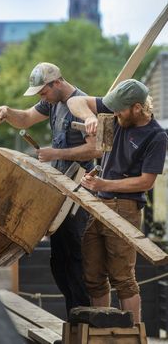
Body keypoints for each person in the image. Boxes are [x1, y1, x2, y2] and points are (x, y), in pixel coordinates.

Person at [0, 62, 101, 316]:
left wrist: (56, 153)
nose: (42, 98)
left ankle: (83, 318)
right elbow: (27, 118)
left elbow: (95, 149)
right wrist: (7, 112)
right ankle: (74, 317)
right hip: (60, 190)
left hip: (79, 191)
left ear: (57, 83)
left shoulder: (80, 103)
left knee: (74, 257)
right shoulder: (53, 102)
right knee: (59, 260)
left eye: (43, 92)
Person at [67, 79, 168, 323]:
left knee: (123, 278)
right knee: (93, 275)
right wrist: (90, 118)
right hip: (99, 204)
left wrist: (106, 185)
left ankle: (131, 333)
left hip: (125, 207)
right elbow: (75, 100)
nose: (114, 113)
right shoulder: (117, 114)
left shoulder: (156, 136)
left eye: (120, 110)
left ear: (136, 107)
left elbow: (146, 182)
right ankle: (103, 328)